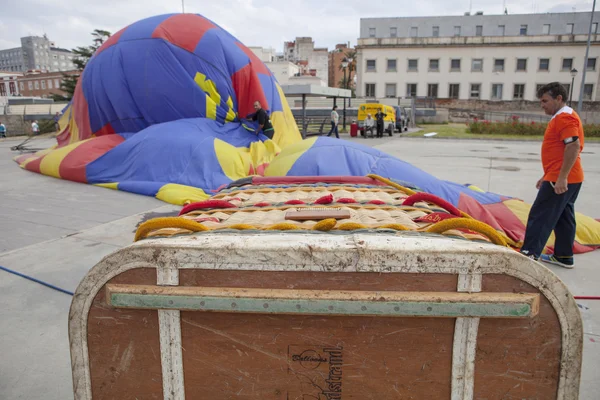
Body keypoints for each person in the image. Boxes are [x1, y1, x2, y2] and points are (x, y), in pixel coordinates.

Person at [520, 82, 585, 268]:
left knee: (540, 215)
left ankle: (528, 256)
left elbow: (572, 145)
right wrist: (547, 174)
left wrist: (561, 177)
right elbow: (559, 151)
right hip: (567, 176)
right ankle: (564, 256)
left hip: (562, 178)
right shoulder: (562, 116)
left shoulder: (564, 118)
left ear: (559, 98)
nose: (542, 105)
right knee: (564, 217)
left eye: (545, 101)